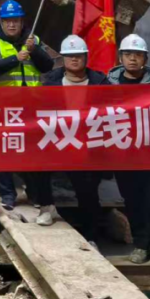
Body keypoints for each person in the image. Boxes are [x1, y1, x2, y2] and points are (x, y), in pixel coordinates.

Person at [108, 35, 150, 270]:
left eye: (137, 55)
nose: (132, 59)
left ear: (146, 58)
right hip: (124, 153)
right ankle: (141, 244)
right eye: (128, 54)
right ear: (120, 58)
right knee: (132, 200)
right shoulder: (107, 85)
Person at [35, 36, 108, 241]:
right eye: (69, 56)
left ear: (86, 57)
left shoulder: (100, 83)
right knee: (37, 163)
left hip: (87, 144)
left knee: (87, 192)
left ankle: (91, 236)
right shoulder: (51, 83)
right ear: (63, 58)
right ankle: (46, 206)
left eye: (78, 55)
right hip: (59, 140)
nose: (74, 59)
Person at [0, 0, 54, 210]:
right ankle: (8, 195)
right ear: (2, 23)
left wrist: (34, 50)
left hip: (31, 106)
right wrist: (16, 58)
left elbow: (47, 65)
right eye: (8, 21)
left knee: (32, 150)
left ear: (22, 22)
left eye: (15, 21)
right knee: (3, 150)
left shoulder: (34, 41)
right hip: (5, 107)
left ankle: (35, 194)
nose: (12, 25)